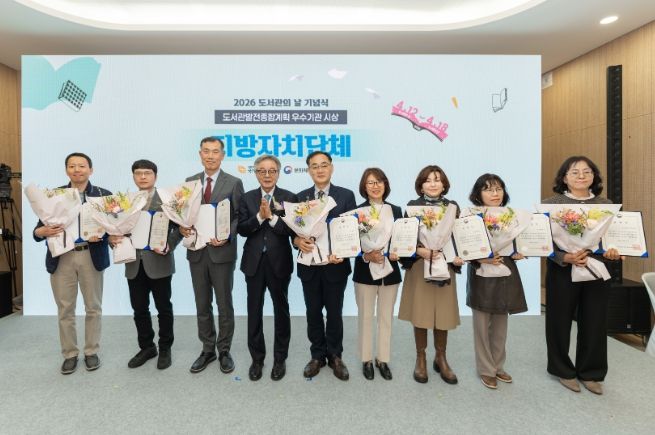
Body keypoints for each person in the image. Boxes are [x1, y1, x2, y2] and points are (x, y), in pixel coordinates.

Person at [543, 156, 620, 395]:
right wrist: (564, 256)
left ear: (594, 177)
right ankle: (562, 370)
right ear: (564, 178)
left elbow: (612, 239)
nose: (581, 176)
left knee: (595, 321)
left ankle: (591, 372)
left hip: (595, 268)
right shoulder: (551, 205)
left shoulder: (606, 205)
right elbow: (542, 242)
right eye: (574, 172)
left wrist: (614, 251)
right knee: (558, 321)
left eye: (587, 172)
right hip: (562, 269)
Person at [33, 152, 111, 374]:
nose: (77, 170)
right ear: (66, 170)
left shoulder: (103, 195)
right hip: (62, 257)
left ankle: (91, 351)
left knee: (93, 307)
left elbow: (116, 226)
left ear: (90, 170)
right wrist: (42, 231)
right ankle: (69, 354)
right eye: (72, 166)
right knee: (65, 308)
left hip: (90, 255)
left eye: (82, 166)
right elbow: (38, 230)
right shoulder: (54, 195)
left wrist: (103, 234)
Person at [108, 160, 181, 370]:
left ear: (155, 176)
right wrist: (112, 238)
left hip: (159, 261)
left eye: (147, 173)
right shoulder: (124, 202)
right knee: (139, 309)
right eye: (138, 173)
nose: (142, 177)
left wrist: (169, 244)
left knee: (163, 308)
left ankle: (165, 348)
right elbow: (115, 228)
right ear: (133, 176)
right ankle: (147, 347)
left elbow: (180, 227)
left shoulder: (167, 200)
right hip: (134, 263)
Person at [179, 137, 244, 374]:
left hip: (221, 252)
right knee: (202, 303)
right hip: (197, 252)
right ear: (200, 154)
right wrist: (182, 227)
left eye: (215, 152)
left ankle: (224, 350)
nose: (210, 156)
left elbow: (239, 215)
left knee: (224, 304)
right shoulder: (190, 182)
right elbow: (183, 214)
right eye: (206, 151)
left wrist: (227, 235)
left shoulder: (234, 182)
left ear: (222, 155)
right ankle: (207, 349)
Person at [398, 165, 463, 385]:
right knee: (421, 312)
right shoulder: (412, 207)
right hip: (420, 265)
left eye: (437, 179)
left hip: (445, 265)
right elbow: (404, 239)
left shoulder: (453, 207)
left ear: (444, 184)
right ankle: (421, 357)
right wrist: (419, 250)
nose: (433, 184)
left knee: (443, 313)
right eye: (428, 180)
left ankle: (441, 357)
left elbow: (459, 237)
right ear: (421, 185)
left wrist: (461, 255)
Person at [295, 151, 356, 380]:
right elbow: (294, 232)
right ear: (309, 170)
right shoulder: (300, 197)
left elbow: (351, 229)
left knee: (334, 312)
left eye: (323, 165)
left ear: (331, 167)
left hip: (335, 265)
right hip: (309, 265)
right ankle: (317, 356)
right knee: (312, 312)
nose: (319, 170)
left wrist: (344, 252)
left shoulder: (346, 195)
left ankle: (335, 355)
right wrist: (297, 241)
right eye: (314, 166)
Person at [237, 155, 297, 381]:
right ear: (255, 173)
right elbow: (242, 229)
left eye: (272, 170)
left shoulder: (289, 198)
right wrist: (259, 217)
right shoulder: (247, 198)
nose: (267, 175)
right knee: (254, 311)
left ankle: (280, 358)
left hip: (279, 262)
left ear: (278, 173)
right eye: (262, 171)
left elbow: (291, 230)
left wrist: (271, 217)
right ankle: (257, 359)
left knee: (281, 311)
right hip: (253, 262)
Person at [466, 174, 527, 389]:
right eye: (488, 189)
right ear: (478, 194)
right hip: (482, 273)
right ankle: (486, 369)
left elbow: (519, 243)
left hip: (505, 273)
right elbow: (463, 248)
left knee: (501, 325)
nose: (495, 193)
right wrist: (480, 258)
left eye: (499, 189)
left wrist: (521, 251)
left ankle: (498, 366)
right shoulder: (470, 217)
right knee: (482, 326)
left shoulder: (513, 217)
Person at [352, 168, 402, 381]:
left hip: (390, 271)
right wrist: (366, 255)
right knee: (365, 317)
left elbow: (403, 239)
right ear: (364, 187)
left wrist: (399, 252)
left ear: (385, 185)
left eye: (379, 181)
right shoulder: (356, 212)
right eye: (371, 182)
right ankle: (366, 359)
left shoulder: (396, 210)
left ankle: (383, 359)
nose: (375, 186)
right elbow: (351, 245)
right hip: (365, 272)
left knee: (386, 317)